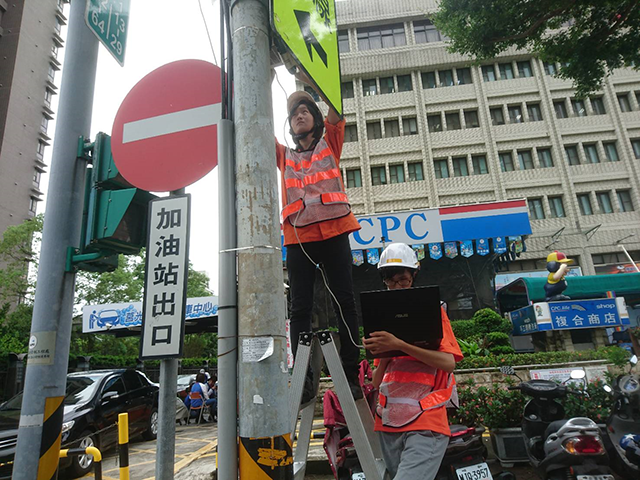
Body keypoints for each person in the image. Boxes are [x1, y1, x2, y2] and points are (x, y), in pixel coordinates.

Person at [275, 80, 362, 402]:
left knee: (345, 302)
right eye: (293, 113)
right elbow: (257, 132)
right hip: (299, 238)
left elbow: (337, 112)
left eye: (304, 110)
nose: (299, 116)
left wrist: (315, 82)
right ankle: (305, 379)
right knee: (300, 309)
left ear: (314, 116)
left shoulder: (330, 144)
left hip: (335, 231)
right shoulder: (283, 156)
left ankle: (352, 375)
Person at [362, 243, 463, 480]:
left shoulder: (435, 312)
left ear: (413, 276)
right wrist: (383, 351)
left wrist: (400, 344)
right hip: (389, 423)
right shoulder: (382, 316)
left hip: (426, 421)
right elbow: (377, 382)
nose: (396, 286)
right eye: (390, 281)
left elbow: (448, 363)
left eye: (403, 280)